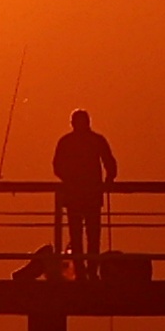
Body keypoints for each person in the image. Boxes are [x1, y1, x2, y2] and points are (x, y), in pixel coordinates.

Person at [53, 108, 117, 277]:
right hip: (89, 195)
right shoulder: (96, 140)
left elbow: (57, 166)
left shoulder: (67, 141)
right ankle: (88, 270)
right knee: (89, 235)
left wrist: (70, 180)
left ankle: (85, 270)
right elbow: (110, 164)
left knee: (82, 234)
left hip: (80, 195)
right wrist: (107, 182)